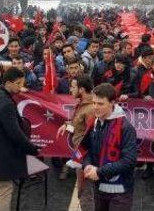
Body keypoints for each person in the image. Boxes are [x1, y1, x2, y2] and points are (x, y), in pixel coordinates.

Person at [0, 67, 40, 211]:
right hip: (3, 153)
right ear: (8, 83)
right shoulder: (6, 104)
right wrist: (32, 148)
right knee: (4, 190)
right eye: (19, 83)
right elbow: (15, 133)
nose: (21, 87)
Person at [81, 83, 138, 211]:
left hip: (120, 191)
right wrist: (88, 165)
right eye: (94, 103)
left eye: (100, 104)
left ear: (112, 102)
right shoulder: (94, 122)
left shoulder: (126, 128)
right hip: (99, 188)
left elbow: (129, 161)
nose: (95, 107)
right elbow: (87, 149)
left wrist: (99, 172)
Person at [58, 74, 95, 211]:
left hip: (85, 155)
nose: (70, 90)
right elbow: (77, 126)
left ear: (81, 89)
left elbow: (91, 135)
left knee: (85, 192)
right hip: (81, 153)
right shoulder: (83, 104)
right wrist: (66, 126)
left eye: (73, 87)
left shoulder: (90, 108)